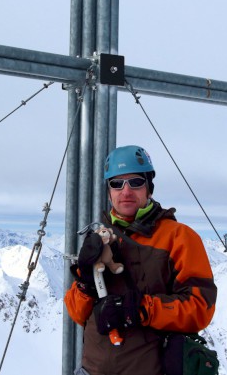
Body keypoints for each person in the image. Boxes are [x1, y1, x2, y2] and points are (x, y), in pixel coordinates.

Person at [64, 145, 217, 375]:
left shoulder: (179, 238)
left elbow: (200, 307)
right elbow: (77, 314)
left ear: (149, 188)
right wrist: (86, 281)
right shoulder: (99, 239)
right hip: (91, 370)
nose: (125, 191)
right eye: (117, 183)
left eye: (135, 182)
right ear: (109, 191)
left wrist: (140, 309)